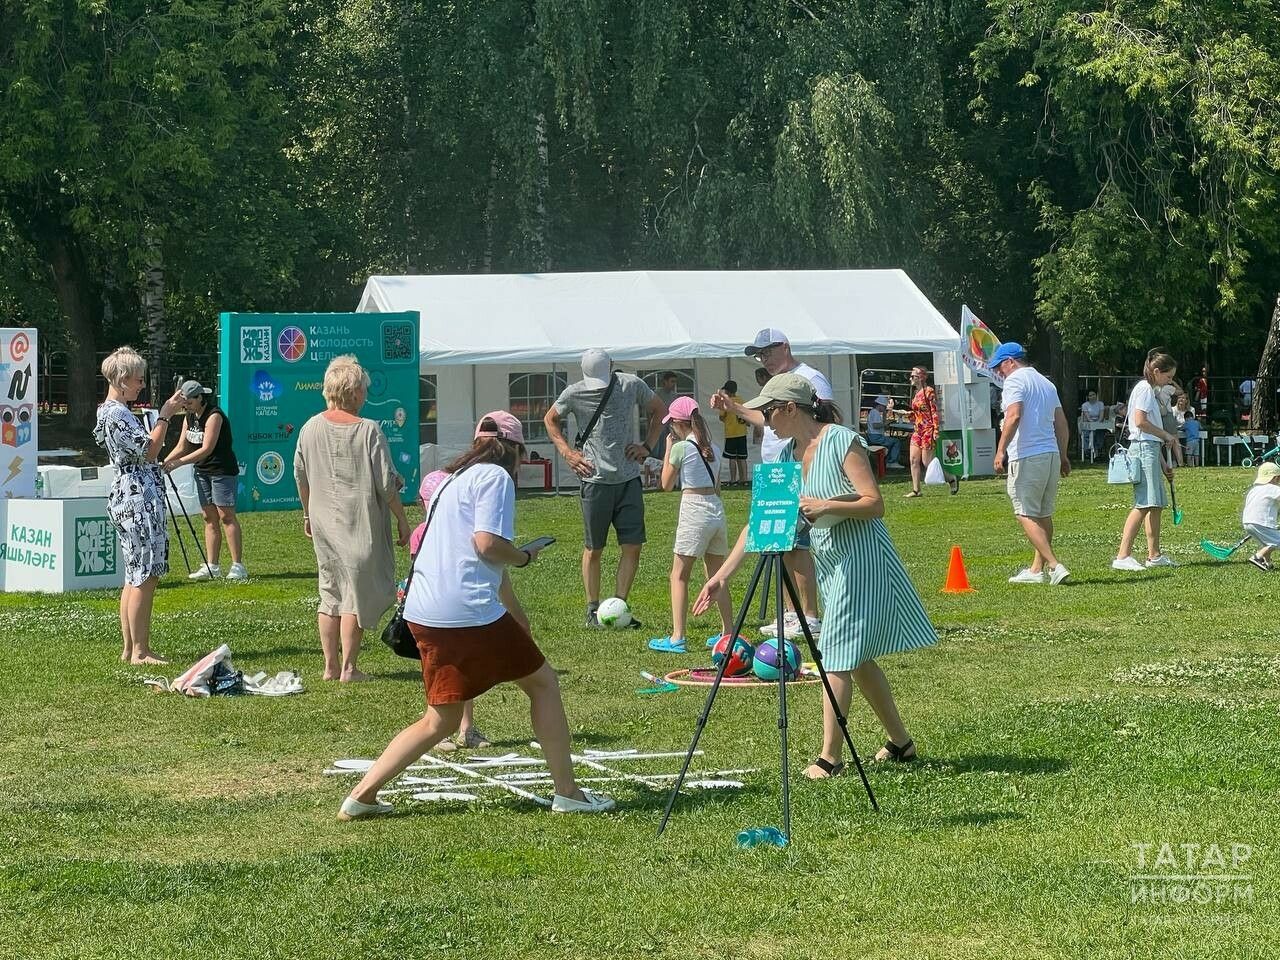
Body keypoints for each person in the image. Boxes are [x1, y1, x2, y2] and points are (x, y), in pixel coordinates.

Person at [337, 412, 615, 819]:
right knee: (543, 685)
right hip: (465, 612)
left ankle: (361, 796)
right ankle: (568, 792)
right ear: (515, 451)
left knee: (441, 720)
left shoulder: (453, 478)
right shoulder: (495, 478)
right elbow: (486, 545)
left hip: (426, 610)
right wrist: (522, 557)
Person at [694, 373, 936, 776]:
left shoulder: (842, 441)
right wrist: (723, 576)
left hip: (863, 558)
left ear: (791, 408)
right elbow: (760, 521)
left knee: (836, 654)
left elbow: (875, 503)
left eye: (769, 411)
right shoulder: (787, 456)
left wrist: (826, 507)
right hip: (831, 562)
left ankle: (830, 758)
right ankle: (902, 744)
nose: (764, 420)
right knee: (857, 659)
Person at [294, 355, 411, 681]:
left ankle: (330, 667)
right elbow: (386, 483)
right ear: (355, 391)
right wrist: (402, 519)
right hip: (360, 523)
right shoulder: (369, 430)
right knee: (355, 593)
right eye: (363, 388)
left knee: (330, 591)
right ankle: (348, 668)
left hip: (323, 523)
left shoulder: (309, 427)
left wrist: (307, 514)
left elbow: (301, 478)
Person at [711, 328, 829, 639]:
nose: (764, 359)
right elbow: (767, 417)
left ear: (785, 347)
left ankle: (809, 616)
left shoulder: (810, 378)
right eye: (760, 355)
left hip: (798, 467)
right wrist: (734, 409)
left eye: (768, 352)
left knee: (796, 543)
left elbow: (824, 420)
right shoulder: (776, 388)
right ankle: (792, 614)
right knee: (781, 541)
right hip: (778, 469)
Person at [544, 349, 665, 628]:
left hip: (627, 480)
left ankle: (619, 606)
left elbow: (660, 410)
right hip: (594, 481)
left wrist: (647, 446)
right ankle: (592, 610)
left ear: (612, 367)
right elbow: (550, 419)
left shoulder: (630, 384)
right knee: (593, 548)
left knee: (632, 546)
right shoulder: (574, 392)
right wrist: (567, 453)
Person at [94, 347, 186, 666]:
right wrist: (165, 414)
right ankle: (140, 651)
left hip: (127, 493)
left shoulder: (107, 411)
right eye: (136, 380)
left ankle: (129, 648)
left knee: (134, 574)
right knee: (145, 575)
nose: (140, 385)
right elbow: (149, 451)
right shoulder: (118, 413)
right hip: (137, 497)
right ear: (121, 380)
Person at [408, 468, 488, 750]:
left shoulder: (459, 529)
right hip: (441, 609)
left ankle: (466, 728)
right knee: (443, 673)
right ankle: (444, 731)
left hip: (452, 607)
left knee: (461, 671)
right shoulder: (425, 531)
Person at [646, 397, 734, 653]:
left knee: (679, 575)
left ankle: (677, 637)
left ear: (676, 423)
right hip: (716, 510)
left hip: (694, 509)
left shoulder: (680, 448)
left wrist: (666, 451)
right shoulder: (714, 448)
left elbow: (665, 484)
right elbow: (717, 488)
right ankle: (728, 633)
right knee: (718, 576)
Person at [990, 343, 1071, 585]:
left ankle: (1055, 566)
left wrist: (1000, 450)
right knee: (1043, 513)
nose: (998, 372)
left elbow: (1014, 416)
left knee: (1024, 511)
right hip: (1050, 454)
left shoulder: (1014, 381)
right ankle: (1037, 570)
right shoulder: (1047, 383)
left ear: (1010, 362)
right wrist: (1063, 454)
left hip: (1027, 454)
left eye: (999, 367)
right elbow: (1062, 422)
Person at [162, 379, 247, 581]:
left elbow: (206, 448)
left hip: (222, 470)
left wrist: (178, 463)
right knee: (209, 518)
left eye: (189, 402)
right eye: (184, 403)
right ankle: (212, 566)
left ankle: (238, 566)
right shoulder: (189, 417)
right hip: (202, 471)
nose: (186, 406)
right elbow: (183, 446)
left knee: (226, 516)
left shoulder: (214, 416)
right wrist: (165, 462)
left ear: (200, 398)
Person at [1113, 351, 1179, 572]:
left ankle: (1154, 555)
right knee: (1143, 504)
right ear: (1156, 371)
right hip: (1142, 450)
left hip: (1149, 450)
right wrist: (1166, 435)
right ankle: (1123, 556)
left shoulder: (1149, 390)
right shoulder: (1144, 389)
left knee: (1156, 504)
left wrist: (1163, 463)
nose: (1170, 382)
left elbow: (1149, 436)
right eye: (1168, 377)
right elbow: (1140, 423)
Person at [904, 365, 959, 497]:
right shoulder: (915, 394)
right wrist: (907, 414)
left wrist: (935, 430)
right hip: (918, 430)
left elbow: (934, 412)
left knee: (927, 462)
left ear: (921, 377)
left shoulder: (929, 391)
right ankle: (916, 490)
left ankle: (951, 478)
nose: (911, 378)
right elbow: (917, 414)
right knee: (913, 459)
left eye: (913, 376)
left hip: (928, 430)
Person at [1242, 462, 1280, 571]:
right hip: (1262, 522)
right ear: (1274, 478)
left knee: (1268, 543)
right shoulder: (1273, 489)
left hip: (1248, 522)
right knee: (1277, 541)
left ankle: (1267, 563)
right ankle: (1257, 557)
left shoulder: (1254, 490)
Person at [717, 379, 749, 486]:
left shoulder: (726, 401)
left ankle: (733, 479)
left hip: (731, 433)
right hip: (742, 432)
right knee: (742, 458)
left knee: (732, 458)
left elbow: (722, 417)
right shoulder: (741, 400)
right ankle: (744, 478)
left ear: (728, 392)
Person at [864, 395, 902, 467]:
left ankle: (889, 460)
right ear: (879, 405)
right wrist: (885, 425)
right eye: (884, 407)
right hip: (876, 437)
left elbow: (880, 423)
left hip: (874, 436)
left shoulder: (874, 412)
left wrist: (884, 415)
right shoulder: (875, 413)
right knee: (896, 442)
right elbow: (875, 425)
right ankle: (892, 462)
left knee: (892, 442)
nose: (885, 408)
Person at [1080, 390, 1107, 462]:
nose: (1092, 396)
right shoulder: (1085, 405)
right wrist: (1093, 424)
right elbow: (1088, 418)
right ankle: (1088, 452)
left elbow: (1101, 416)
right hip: (1087, 424)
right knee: (1088, 434)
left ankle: (1098, 453)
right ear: (1088, 397)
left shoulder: (1100, 404)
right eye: (1090, 395)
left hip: (1098, 423)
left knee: (1100, 432)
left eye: (1093, 394)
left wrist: (1097, 423)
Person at [1176, 395, 1201, 466]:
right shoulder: (1197, 422)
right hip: (1197, 441)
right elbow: (1201, 427)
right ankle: (1197, 465)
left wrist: (1178, 428)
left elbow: (1181, 428)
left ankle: (1189, 465)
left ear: (1185, 418)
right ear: (1192, 417)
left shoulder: (1186, 423)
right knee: (1196, 454)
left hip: (1190, 441)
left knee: (1189, 454)